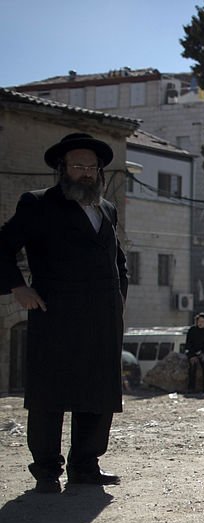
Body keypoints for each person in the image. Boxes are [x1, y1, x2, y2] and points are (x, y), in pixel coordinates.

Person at [0, 132, 128, 492]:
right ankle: (46, 471)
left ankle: (86, 465)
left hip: (102, 318)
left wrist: (120, 299)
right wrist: (18, 286)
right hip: (56, 315)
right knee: (49, 396)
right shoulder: (38, 204)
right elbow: (2, 247)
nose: (86, 172)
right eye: (78, 166)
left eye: (92, 167)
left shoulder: (107, 208)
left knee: (98, 393)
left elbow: (117, 260)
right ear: (62, 169)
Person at [185, 312, 204, 395]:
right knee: (192, 368)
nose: (200, 323)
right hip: (193, 352)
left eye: (203, 321)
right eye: (199, 321)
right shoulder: (192, 330)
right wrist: (192, 355)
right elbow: (189, 344)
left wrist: (202, 353)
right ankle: (191, 388)